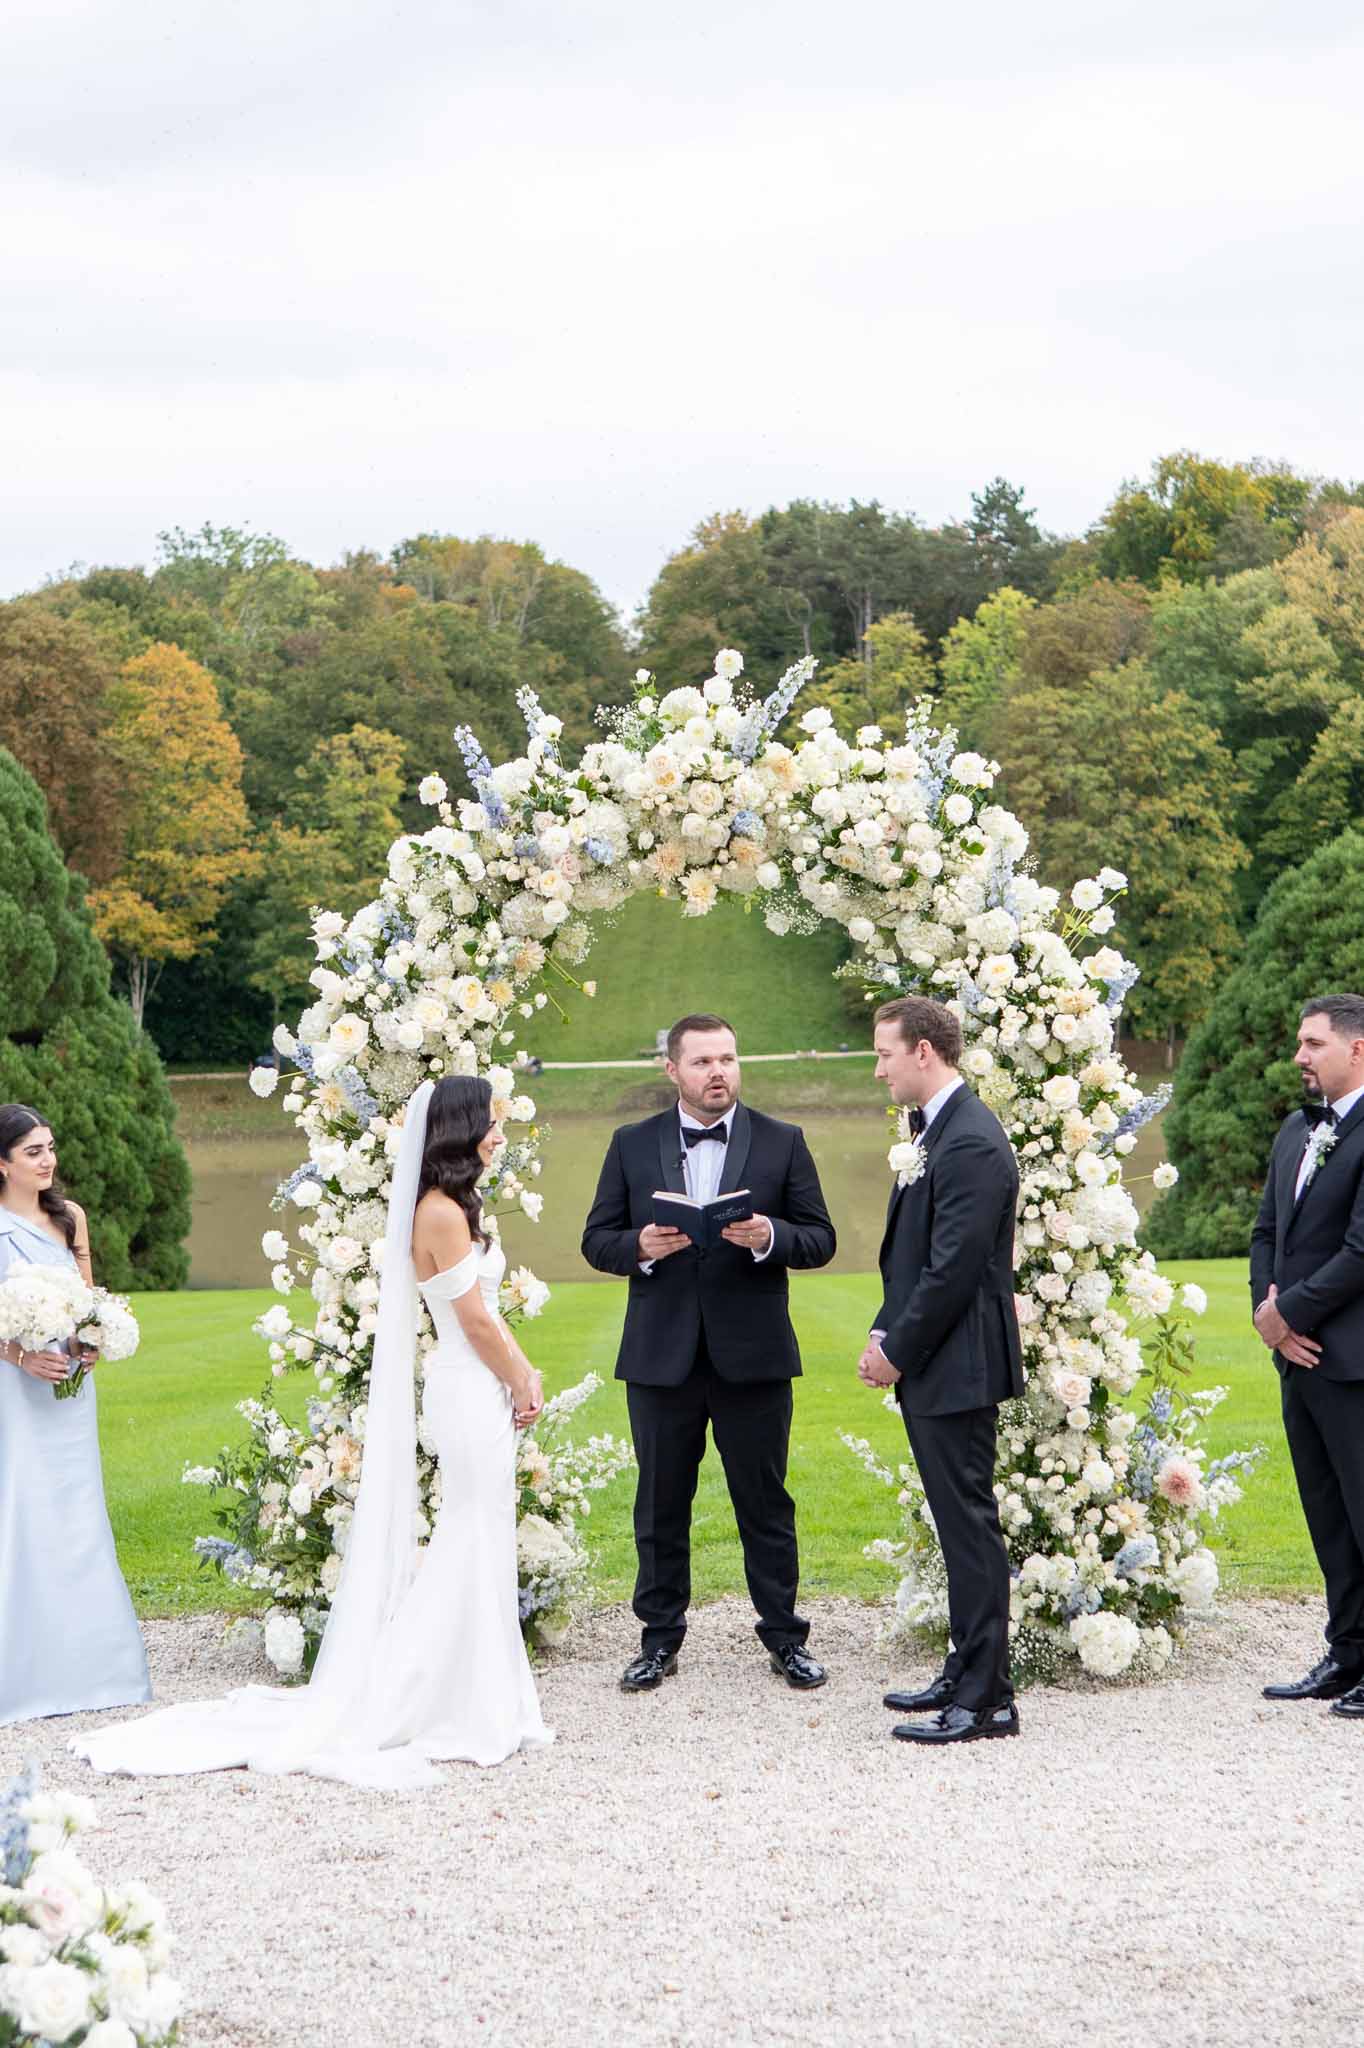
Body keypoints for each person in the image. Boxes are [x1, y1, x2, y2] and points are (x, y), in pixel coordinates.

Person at [73, 1077, 553, 1787]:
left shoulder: (457, 1206)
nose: (499, 1131)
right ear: (459, 1129)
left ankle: (479, 1694)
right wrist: (521, 1377)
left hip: (477, 1382)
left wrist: (519, 1371)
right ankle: (434, 1698)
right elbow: (475, 1322)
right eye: (489, 1120)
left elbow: (484, 1313)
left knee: (481, 1530)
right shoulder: (441, 1212)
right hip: (467, 1382)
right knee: (470, 1531)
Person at [581, 1013, 836, 1693]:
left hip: (753, 1356)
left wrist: (766, 1236)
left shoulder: (784, 1141)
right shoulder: (631, 1144)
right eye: (702, 1062)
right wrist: (638, 1246)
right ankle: (658, 1641)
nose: (718, 1071)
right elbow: (596, 1239)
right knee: (660, 1504)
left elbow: (820, 1239)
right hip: (661, 1358)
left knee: (765, 1503)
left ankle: (785, 1638)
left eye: (727, 1058)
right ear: (672, 1070)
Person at [859, 997, 1023, 1746]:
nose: (879, 1066)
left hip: (958, 1360)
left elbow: (955, 1270)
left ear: (924, 1052)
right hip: (937, 1357)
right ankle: (964, 1670)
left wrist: (897, 1349)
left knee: (969, 1524)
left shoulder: (971, 1141)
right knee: (955, 1523)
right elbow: (917, 1255)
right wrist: (884, 1324)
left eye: (885, 1052)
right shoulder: (934, 1130)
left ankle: (988, 1699)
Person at [0, 1103, 151, 1726]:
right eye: (33, 1151)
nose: (48, 1160)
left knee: (76, 1508)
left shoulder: (70, 1219)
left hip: (71, 1390)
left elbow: (89, 1300)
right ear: (2, 1162)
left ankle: (96, 1666)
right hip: (16, 1392)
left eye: (50, 1147)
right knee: (23, 1509)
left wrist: (93, 1343)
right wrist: (17, 1354)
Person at [1251, 993, 1364, 1718]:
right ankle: (1347, 1651)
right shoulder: (1297, 1128)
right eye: (1300, 1042)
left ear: (1357, 1049)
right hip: (1297, 1359)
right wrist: (1268, 1316)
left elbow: (1362, 1251)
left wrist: (1287, 1314)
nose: (1300, 1057)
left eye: (1313, 1043)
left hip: (1353, 1359)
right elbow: (1267, 1232)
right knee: (1326, 1512)